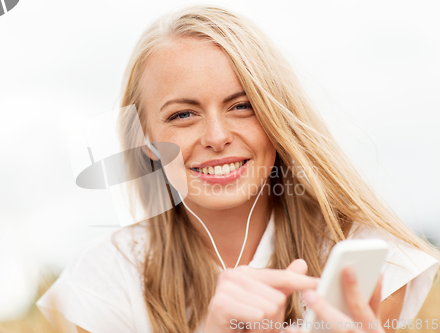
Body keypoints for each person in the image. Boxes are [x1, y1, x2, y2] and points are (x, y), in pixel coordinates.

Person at [36, 5, 440, 333]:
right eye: (182, 115)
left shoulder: (366, 257)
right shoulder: (104, 280)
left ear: (277, 118)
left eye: (241, 106)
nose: (216, 136)